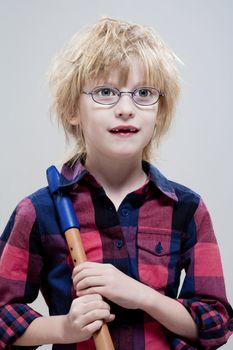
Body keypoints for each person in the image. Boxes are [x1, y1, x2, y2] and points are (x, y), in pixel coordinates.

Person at [0, 16, 232, 350]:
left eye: (143, 93)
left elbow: (214, 324)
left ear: (160, 112)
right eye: (105, 92)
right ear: (71, 109)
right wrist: (63, 329)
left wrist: (142, 296)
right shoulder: (38, 210)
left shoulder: (187, 209)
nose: (126, 108)